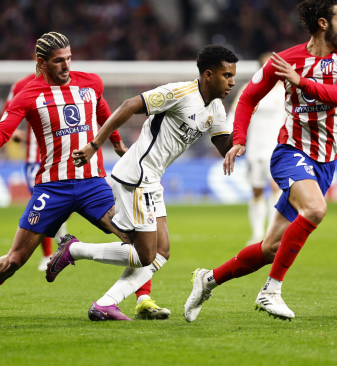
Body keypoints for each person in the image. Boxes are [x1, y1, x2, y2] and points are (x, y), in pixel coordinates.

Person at [0, 32, 165, 320]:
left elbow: (103, 112)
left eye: (69, 59)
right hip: (52, 189)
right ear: (42, 63)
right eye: (58, 61)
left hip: (92, 184)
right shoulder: (27, 95)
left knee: (141, 243)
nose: (66, 66)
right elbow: (0, 140)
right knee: (15, 260)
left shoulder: (90, 83)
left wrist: (115, 141)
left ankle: (141, 298)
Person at [184, 0, 337, 321]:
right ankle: (270, 291)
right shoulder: (285, 60)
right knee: (315, 209)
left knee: (270, 248)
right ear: (323, 24)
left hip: (326, 163)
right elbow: (247, 100)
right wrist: (238, 139)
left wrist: (302, 83)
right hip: (291, 152)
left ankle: (208, 279)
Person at [46, 45, 237, 320]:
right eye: (226, 75)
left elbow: (223, 146)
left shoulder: (216, 109)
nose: (232, 81)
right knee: (145, 255)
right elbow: (129, 105)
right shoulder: (179, 93)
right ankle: (74, 249)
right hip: (137, 177)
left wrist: (243, 130)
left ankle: (105, 304)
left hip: (152, 179)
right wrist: (94, 145)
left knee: (162, 252)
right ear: (209, 75)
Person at [2, 72, 66, 271]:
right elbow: (7, 115)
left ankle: (62, 243)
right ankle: (48, 255)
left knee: (65, 202)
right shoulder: (22, 84)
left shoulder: (67, 82)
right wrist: (12, 131)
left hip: (62, 154)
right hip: (35, 157)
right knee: (41, 204)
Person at [228, 52, 286, 244]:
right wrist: (231, 140)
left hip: (276, 149)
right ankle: (257, 234)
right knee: (257, 191)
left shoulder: (285, 90)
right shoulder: (249, 89)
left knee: (276, 187)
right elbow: (236, 115)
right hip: (254, 149)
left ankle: (272, 233)